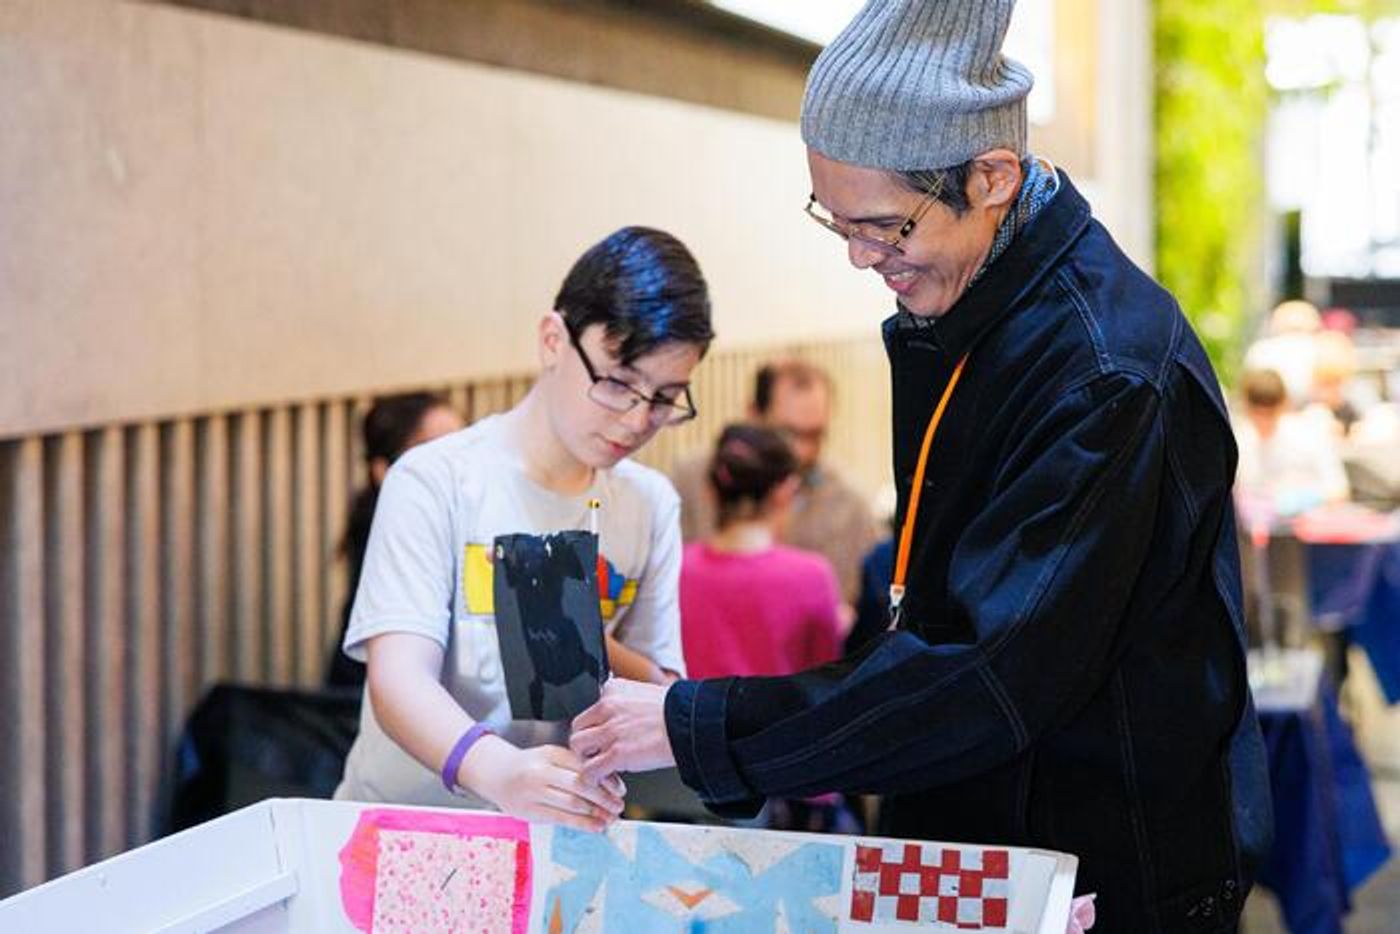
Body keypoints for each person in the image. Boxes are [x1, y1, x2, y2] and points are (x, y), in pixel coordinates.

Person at [569, 3, 1271, 928]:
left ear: (992, 177)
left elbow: (987, 672)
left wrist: (702, 725)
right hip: (984, 826)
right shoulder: (975, 305)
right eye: (838, 221)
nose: (864, 259)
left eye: (888, 228)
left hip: (1104, 862)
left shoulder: (1107, 376)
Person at [334, 226, 714, 833]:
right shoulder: (437, 479)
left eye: (666, 396)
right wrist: (498, 772)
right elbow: (398, 678)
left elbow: (661, 692)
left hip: (556, 836)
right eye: (618, 383)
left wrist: (578, 634)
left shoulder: (648, 503)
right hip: (406, 828)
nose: (639, 418)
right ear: (552, 341)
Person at [680, 423, 858, 832]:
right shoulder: (811, 576)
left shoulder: (679, 569)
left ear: (711, 490)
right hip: (786, 782)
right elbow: (824, 683)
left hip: (692, 780)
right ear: (785, 491)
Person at [670, 360, 878, 607]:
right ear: (753, 415)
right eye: (788, 433)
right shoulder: (695, 477)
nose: (801, 452)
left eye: (815, 436)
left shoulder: (849, 505)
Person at [326, 392, 464, 689]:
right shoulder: (395, 537)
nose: (458, 468)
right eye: (437, 457)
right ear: (383, 471)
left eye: (462, 448)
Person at [1234, 367, 1349, 514]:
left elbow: (1339, 489)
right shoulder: (1240, 442)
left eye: (1270, 414)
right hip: (1258, 530)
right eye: (1258, 414)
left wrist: (1307, 500)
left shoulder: (1309, 434)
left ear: (1284, 404)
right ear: (1246, 407)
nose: (1264, 421)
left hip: (1309, 527)